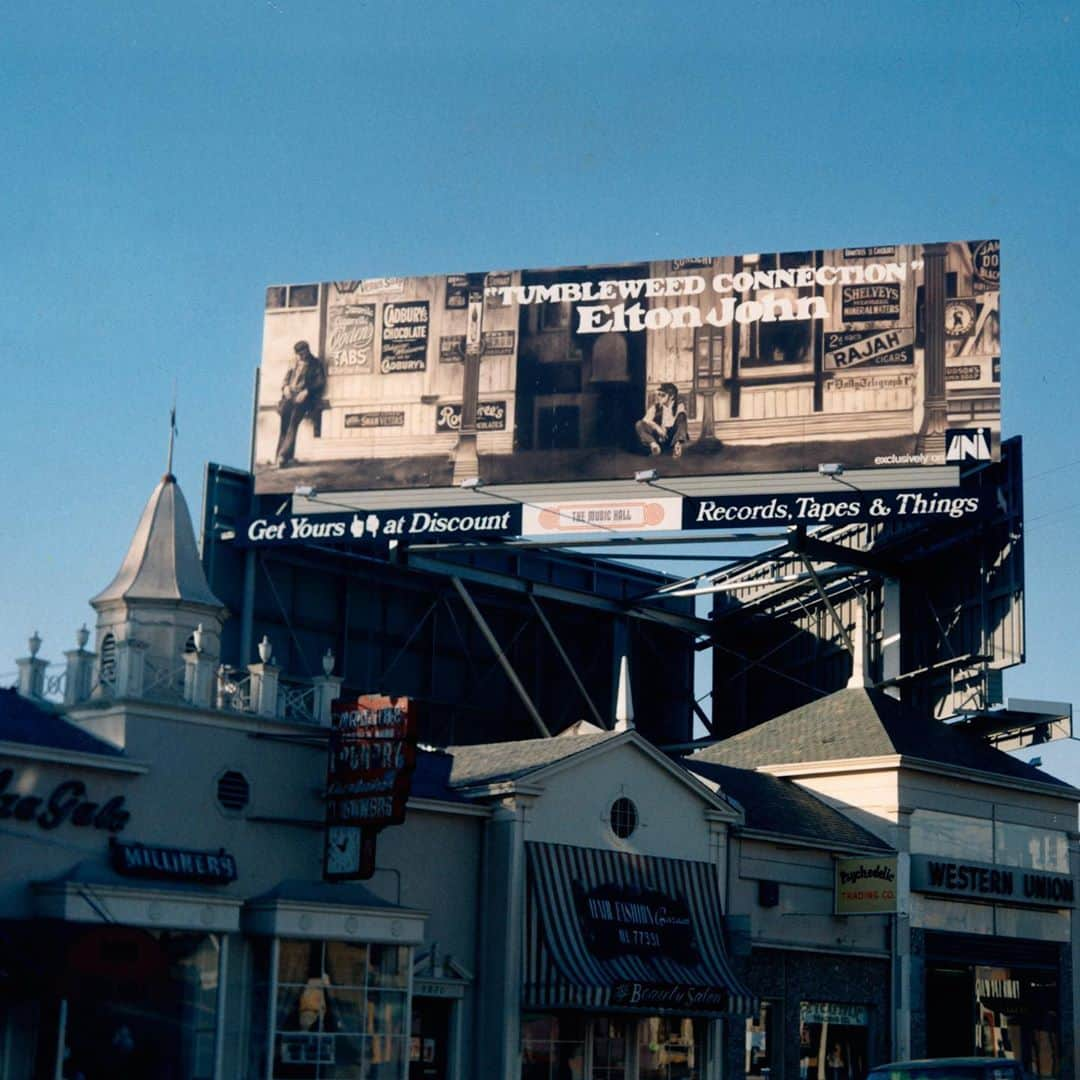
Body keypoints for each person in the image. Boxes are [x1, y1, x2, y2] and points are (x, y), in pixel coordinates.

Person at [275, 341, 326, 467]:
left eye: (302, 353)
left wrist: (306, 391)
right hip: (289, 396)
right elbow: (286, 378)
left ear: (307, 350)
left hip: (304, 399)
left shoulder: (315, 363)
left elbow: (320, 382)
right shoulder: (294, 362)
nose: (301, 356)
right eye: (298, 354)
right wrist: (285, 387)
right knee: (284, 425)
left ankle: (282, 456)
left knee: (293, 423)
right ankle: (283, 457)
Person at [636, 382, 689, 458]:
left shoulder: (679, 406)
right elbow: (645, 420)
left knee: (682, 417)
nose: (659, 397)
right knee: (639, 424)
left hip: (672, 436)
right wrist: (657, 428)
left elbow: (681, 423)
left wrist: (676, 440)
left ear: (671, 396)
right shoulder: (656, 407)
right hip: (659, 437)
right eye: (658, 394)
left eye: (663, 395)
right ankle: (654, 446)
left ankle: (677, 446)